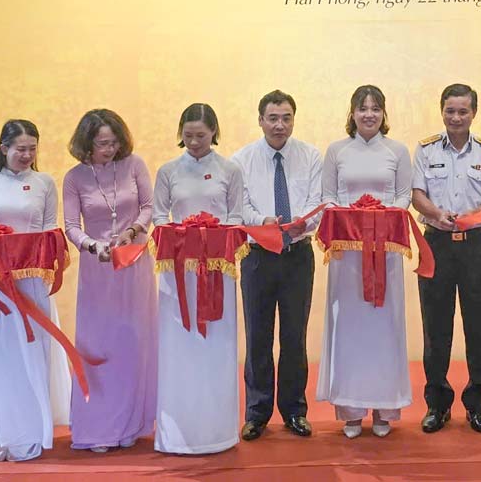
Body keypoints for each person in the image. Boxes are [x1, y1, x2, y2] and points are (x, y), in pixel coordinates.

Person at [0, 119, 70, 462]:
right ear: (4, 149)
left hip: (31, 282)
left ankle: (35, 431)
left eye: (32, 149)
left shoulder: (44, 183)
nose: (27, 155)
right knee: (1, 356)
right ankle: (5, 432)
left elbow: (50, 231)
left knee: (33, 351)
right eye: (20, 149)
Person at [316, 85, 414, 438]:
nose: (369, 114)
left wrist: (380, 218)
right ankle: (352, 410)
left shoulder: (397, 151)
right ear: (352, 113)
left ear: (384, 113)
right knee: (350, 328)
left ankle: (385, 409)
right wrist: (354, 218)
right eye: (363, 108)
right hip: (348, 256)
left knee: (385, 326)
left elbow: (403, 196)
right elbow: (328, 197)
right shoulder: (336, 151)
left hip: (386, 251)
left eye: (375, 108)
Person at [411, 84, 481, 434]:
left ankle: (477, 403)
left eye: (463, 111)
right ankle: (437, 404)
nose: (456, 117)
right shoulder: (425, 150)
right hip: (436, 243)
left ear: (473, 113)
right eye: (450, 111)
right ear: (442, 111)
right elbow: (416, 193)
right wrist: (437, 213)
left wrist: (470, 216)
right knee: (436, 328)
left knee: (479, 327)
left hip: (475, 246)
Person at [151, 103, 245, 455]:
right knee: (179, 346)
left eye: (201, 136)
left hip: (217, 272)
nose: (193, 142)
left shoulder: (229, 170)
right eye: (188, 135)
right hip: (177, 273)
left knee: (216, 345)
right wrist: (184, 233)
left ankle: (217, 430)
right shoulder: (168, 171)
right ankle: (177, 433)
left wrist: (210, 234)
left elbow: (236, 219)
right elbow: (159, 218)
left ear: (214, 132)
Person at [61, 109, 156, 452]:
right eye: (102, 143)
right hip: (98, 269)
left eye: (114, 142)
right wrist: (92, 245)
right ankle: (98, 427)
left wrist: (133, 230)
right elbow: (72, 226)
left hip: (133, 263)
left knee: (133, 342)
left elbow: (149, 206)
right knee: (98, 345)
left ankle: (131, 424)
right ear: (86, 143)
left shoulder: (135, 165)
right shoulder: (74, 178)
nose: (109, 149)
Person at [230, 90, 323, 442]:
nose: (279, 125)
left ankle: (295, 411)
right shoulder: (241, 160)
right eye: (273, 118)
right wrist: (263, 222)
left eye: (286, 118)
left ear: (293, 120)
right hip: (257, 256)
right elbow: (240, 206)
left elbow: (319, 200)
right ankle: (256, 413)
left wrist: (304, 222)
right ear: (260, 120)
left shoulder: (310, 156)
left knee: (294, 336)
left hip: (298, 254)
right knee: (258, 336)